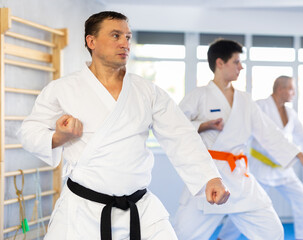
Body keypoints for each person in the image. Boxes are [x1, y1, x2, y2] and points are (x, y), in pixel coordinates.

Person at [19, 11, 230, 240]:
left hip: (139, 209)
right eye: (116, 35)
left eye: (128, 37)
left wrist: (210, 177)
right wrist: (59, 137)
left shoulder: (147, 92)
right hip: (82, 212)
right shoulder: (63, 89)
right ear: (91, 41)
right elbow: (29, 132)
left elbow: (181, 135)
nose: (125, 43)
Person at [172, 39, 303, 240]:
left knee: (272, 232)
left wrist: (299, 155)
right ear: (220, 63)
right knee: (183, 234)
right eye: (236, 62)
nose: (241, 67)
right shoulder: (199, 96)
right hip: (208, 175)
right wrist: (203, 125)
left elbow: (269, 132)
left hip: (239, 175)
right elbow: (174, 127)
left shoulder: (245, 100)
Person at [217, 75, 303, 240]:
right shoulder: (260, 107)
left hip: (284, 170)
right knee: (246, 206)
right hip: (260, 169)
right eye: (291, 89)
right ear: (280, 89)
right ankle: (223, 238)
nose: (294, 93)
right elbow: (250, 136)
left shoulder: (290, 113)